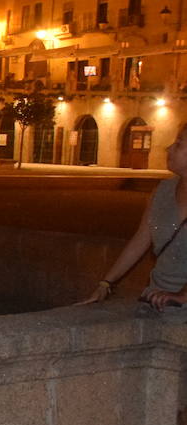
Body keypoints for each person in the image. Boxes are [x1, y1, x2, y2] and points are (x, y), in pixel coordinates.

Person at [79, 124, 187, 316]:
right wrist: (106, 283)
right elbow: (140, 240)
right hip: (156, 299)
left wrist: (182, 296)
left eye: (178, 144)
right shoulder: (163, 191)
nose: (168, 148)